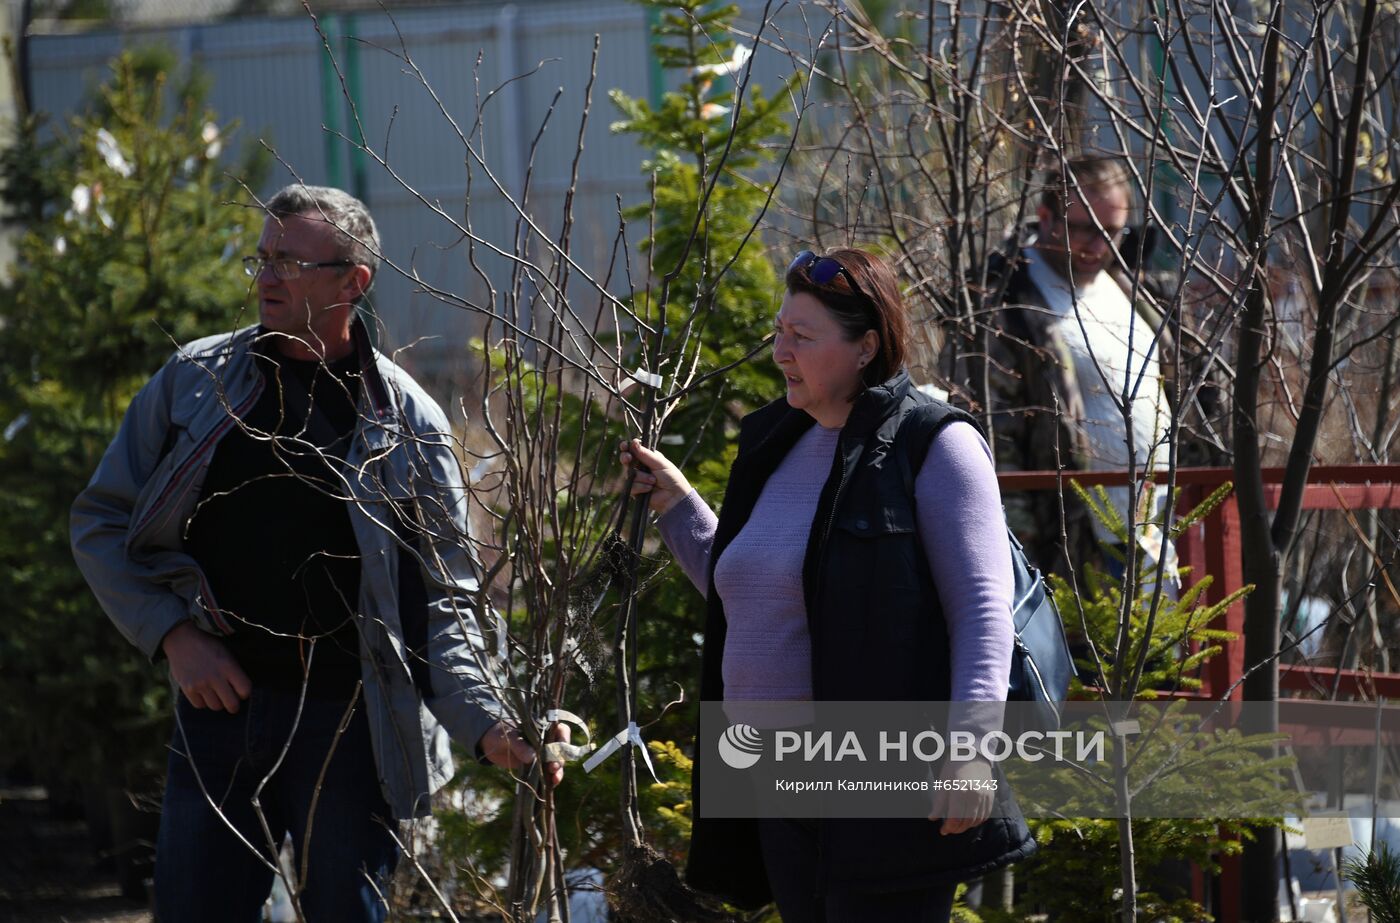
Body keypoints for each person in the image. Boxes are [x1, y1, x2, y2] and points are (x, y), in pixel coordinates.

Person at [70, 184, 560, 922]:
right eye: (261, 258)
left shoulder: (407, 425)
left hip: (353, 728)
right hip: (220, 713)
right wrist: (173, 635)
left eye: (289, 262)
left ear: (352, 282)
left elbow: (443, 598)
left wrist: (488, 722)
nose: (266, 277)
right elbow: (102, 520)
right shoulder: (195, 386)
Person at [619, 248, 1034, 921]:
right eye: (778, 331)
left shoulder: (935, 444)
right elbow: (754, 598)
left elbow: (982, 612)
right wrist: (679, 506)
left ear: (866, 345)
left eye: (802, 337)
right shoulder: (775, 442)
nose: (780, 351)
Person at [960, 156, 1191, 580]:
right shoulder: (1006, 301)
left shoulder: (1132, 292)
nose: (1098, 245)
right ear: (1046, 217)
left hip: (1154, 539)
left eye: (1113, 231)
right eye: (1083, 228)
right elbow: (991, 435)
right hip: (1066, 548)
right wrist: (1020, 544)